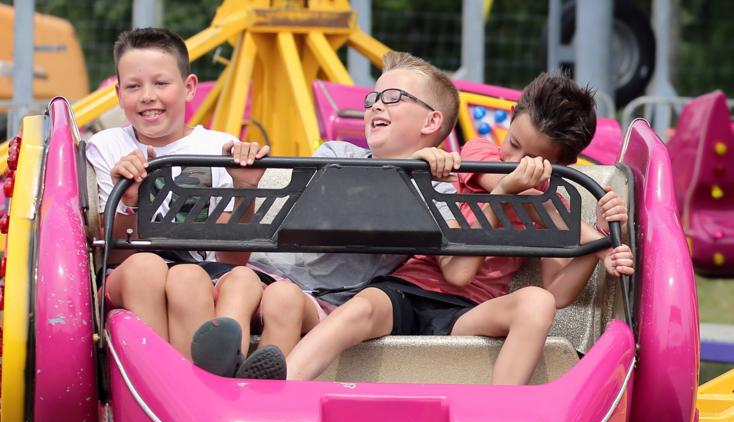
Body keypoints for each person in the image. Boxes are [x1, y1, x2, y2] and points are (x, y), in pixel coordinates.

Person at [283, 72, 634, 385]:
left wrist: (594, 247)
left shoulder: (553, 207)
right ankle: (279, 385)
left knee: (538, 302)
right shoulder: (481, 154)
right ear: (509, 121)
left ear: (558, 164)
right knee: (360, 310)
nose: (511, 160)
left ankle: (500, 419)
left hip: (467, 312)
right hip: (410, 288)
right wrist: (590, 236)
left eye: (528, 158)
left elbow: (557, 292)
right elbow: (495, 197)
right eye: (512, 143)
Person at [192, 51, 463, 376]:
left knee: (284, 299)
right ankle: (222, 363)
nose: (376, 105)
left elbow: (450, 261)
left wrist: (416, 173)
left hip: (321, 297)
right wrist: (244, 188)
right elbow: (335, 204)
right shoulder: (336, 153)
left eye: (393, 98)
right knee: (239, 280)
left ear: (432, 121)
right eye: (373, 98)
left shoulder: (437, 190)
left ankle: (260, 386)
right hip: (259, 272)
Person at [86, 27, 283, 379]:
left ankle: (193, 386)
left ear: (189, 87)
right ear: (118, 94)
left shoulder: (219, 147)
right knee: (148, 268)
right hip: (127, 272)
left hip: (196, 274)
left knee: (189, 276)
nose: (147, 96)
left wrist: (244, 191)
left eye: (161, 84)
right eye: (134, 86)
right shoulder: (107, 146)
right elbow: (110, 253)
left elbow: (231, 258)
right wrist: (131, 204)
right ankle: (161, 385)